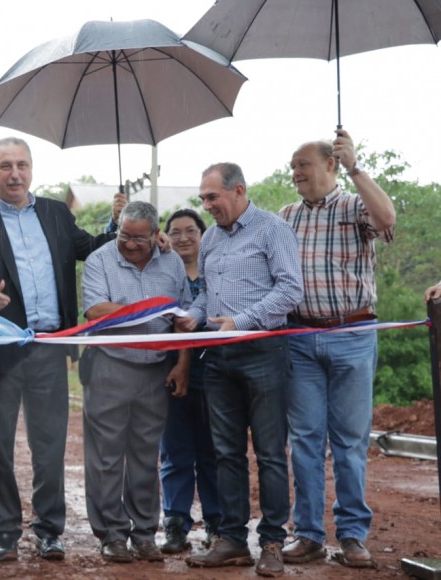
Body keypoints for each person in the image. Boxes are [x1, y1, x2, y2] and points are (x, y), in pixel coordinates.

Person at [0, 136, 114, 562]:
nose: (15, 173)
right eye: (5, 166)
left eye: (21, 164)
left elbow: (89, 250)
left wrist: (117, 226)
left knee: (50, 444)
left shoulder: (57, 214)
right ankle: (4, 531)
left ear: (32, 169)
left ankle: (49, 530)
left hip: (49, 348)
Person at [178, 162, 303, 578]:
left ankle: (271, 542)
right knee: (225, 453)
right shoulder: (210, 239)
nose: (207, 206)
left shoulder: (272, 229)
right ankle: (232, 540)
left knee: (269, 453)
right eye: (203, 198)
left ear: (238, 190)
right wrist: (191, 317)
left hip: (263, 351)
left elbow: (290, 289)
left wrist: (242, 321)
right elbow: (208, 298)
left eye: (212, 197)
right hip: (217, 358)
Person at [279, 128, 395, 569]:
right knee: (305, 441)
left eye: (302, 165)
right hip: (300, 338)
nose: (295, 174)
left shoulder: (354, 205)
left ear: (329, 164)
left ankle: (351, 535)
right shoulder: (286, 215)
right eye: (292, 167)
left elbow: (386, 220)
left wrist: (356, 167)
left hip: (352, 335)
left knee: (348, 443)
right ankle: (307, 534)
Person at [80, 201, 190, 564]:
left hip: (155, 369)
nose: (129, 244)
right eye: (124, 235)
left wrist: (183, 365)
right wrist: (149, 307)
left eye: (138, 238)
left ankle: (144, 533)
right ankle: (111, 534)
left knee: (145, 456)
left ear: (155, 234)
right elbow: (95, 310)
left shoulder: (171, 261)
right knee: (107, 457)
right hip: (111, 366)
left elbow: (183, 318)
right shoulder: (100, 259)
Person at [159, 208, 221, 554]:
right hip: (171, 371)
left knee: (213, 451)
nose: (183, 237)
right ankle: (175, 524)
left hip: (215, 373)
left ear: (203, 234)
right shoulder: (163, 272)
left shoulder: (216, 271)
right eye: (175, 231)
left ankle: (215, 521)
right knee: (175, 451)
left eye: (191, 230)